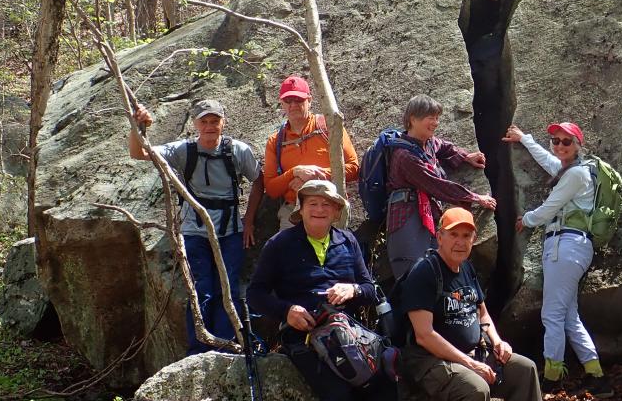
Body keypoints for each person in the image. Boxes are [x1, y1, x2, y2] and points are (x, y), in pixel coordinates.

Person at [400, 207, 568, 401]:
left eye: (467, 235)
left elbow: (481, 311)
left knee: (524, 370)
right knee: (476, 388)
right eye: (454, 234)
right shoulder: (425, 272)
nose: (461, 241)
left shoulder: (465, 267)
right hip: (430, 360)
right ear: (439, 236)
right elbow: (424, 335)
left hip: (473, 353)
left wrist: (497, 340)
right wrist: (469, 363)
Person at [246, 180, 395, 401]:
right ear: (301, 208)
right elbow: (255, 293)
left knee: (384, 385)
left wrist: (351, 289)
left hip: (347, 334)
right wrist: (287, 310)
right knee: (338, 394)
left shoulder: (348, 241)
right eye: (313, 203)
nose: (319, 209)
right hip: (303, 336)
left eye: (326, 204)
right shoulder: (280, 244)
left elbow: (369, 289)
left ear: (336, 211)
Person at [128, 99, 261, 355]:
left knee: (229, 289)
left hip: (231, 230)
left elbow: (259, 180)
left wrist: (250, 220)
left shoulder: (238, 151)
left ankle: (225, 348)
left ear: (223, 122)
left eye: (214, 121)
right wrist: (137, 126)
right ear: (195, 124)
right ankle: (198, 351)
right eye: (204, 121)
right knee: (202, 289)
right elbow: (139, 153)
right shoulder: (183, 151)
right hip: (194, 231)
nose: (210, 126)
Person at [503, 121, 613, 397]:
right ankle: (596, 375)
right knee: (568, 315)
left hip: (566, 245)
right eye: (556, 140)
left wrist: (526, 220)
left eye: (567, 141)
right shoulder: (571, 171)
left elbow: (550, 207)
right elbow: (549, 162)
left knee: (551, 314)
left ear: (578, 146)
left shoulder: (576, 175)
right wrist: (525, 138)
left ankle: (552, 377)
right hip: (571, 246)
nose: (560, 146)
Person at [385, 95, 496, 279]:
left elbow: (443, 146)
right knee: (414, 275)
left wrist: (465, 156)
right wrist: (476, 198)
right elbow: (437, 186)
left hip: (426, 216)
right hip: (406, 219)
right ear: (413, 119)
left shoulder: (426, 142)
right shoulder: (404, 156)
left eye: (437, 117)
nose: (436, 122)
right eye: (431, 117)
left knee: (437, 271)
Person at [255, 75, 360, 236]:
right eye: (288, 100)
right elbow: (271, 188)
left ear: (309, 100)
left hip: (330, 207)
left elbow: (353, 168)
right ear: (282, 104)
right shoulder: (275, 141)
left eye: (298, 99)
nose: (293, 105)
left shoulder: (329, 127)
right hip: (292, 212)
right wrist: (295, 172)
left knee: (332, 259)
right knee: (290, 260)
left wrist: (313, 176)